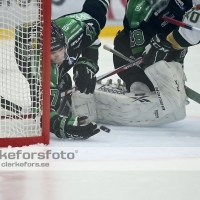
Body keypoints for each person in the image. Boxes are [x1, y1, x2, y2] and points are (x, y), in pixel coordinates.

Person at [71, 0, 200, 126]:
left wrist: (169, 43)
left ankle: (157, 76)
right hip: (156, 26)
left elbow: (194, 29)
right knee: (127, 41)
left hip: (167, 25)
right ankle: (145, 80)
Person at [14, 0, 110, 139]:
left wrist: (86, 64)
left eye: (60, 49)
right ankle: (57, 84)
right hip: (25, 49)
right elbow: (42, 113)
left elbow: (92, 40)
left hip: (51, 36)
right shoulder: (38, 62)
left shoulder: (78, 28)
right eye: (53, 53)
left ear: (64, 41)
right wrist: (60, 125)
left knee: (97, 16)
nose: (59, 56)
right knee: (49, 89)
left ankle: (60, 82)